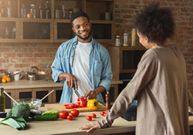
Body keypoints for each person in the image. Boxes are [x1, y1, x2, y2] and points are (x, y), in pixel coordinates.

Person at [81, 3, 193, 135]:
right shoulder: (176, 53)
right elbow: (185, 91)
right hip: (177, 126)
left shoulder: (153, 56)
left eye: (139, 35)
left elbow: (130, 92)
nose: (139, 39)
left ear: (148, 34)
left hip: (157, 128)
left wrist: (105, 121)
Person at [51, 10, 112, 103]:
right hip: (69, 102)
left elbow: (107, 78)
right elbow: (55, 72)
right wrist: (66, 75)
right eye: (78, 26)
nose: (82, 28)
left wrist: (95, 92)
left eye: (85, 24)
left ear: (90, 25)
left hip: (94, 102)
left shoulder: (102, 51)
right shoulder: (64, 48)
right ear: (73, 29)